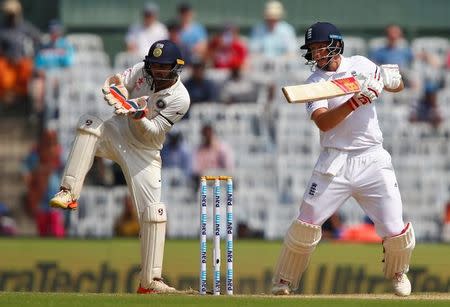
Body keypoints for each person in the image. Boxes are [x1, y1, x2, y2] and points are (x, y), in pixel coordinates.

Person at [271, 22, 415, 297]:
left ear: (336, 45)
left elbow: (396, 86)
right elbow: (324, 123)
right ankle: (283, 280)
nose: (316, 54)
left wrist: (391, 81)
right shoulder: (315, 83)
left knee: (394, 227)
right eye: (312, 49)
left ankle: (398, 273)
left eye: (320, 47)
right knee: (306, 223)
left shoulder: (361, 64)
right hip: (335, 162)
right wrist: (354, 102)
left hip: (372, 157)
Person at [49, 40, 190, 293]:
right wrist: (119, 95)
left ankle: (150, 282)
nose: (157, 71)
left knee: (154, 213)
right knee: (89, 123)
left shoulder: (181, 98)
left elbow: (153, 133)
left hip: (145, 152)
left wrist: (138, 115)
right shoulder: (140, 71)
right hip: (116, 132)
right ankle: (68, 192)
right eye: (154, 65)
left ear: (175, 68)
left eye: (163, 67)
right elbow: (114, 81)